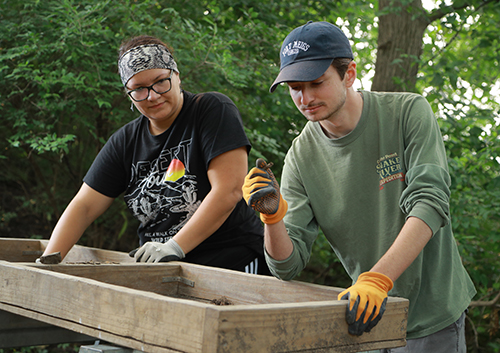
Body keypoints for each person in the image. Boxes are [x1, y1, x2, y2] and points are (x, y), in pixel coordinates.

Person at [243, 21, 476, 351]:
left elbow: (430, 203)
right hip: (367, 316)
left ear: (349, 73)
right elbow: (287, 265)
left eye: (316, 83)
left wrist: (378, 279)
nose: (304, 97)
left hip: (431, 316)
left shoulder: (407, 112)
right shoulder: (300, 155)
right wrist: (272, 219)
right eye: (294, 87)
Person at [40, 35, 270, 275]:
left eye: (161, 81)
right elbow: (85, 205)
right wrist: (48, 261)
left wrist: (174, 246)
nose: (152, 95)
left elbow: (229, 190)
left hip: (231, 263)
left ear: (177, 75)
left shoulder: (211, 110)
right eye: (139, 88)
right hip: (162, 270)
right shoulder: (125, 141)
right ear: (128, 94)